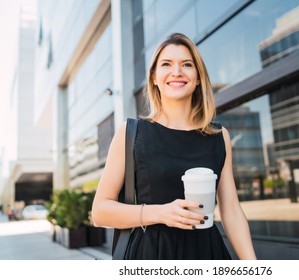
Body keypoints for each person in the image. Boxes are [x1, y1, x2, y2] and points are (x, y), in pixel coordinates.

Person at [92, 32, 257, 260]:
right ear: (154, 78)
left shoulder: (219, 136)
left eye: (187, 65)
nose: (177, 72)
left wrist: (253, 266)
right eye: (167, 64)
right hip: (152, 255)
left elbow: (230, 210)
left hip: (207, 253)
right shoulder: (131, 133)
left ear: (198, 77)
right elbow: (100, 212)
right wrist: (160, 213)